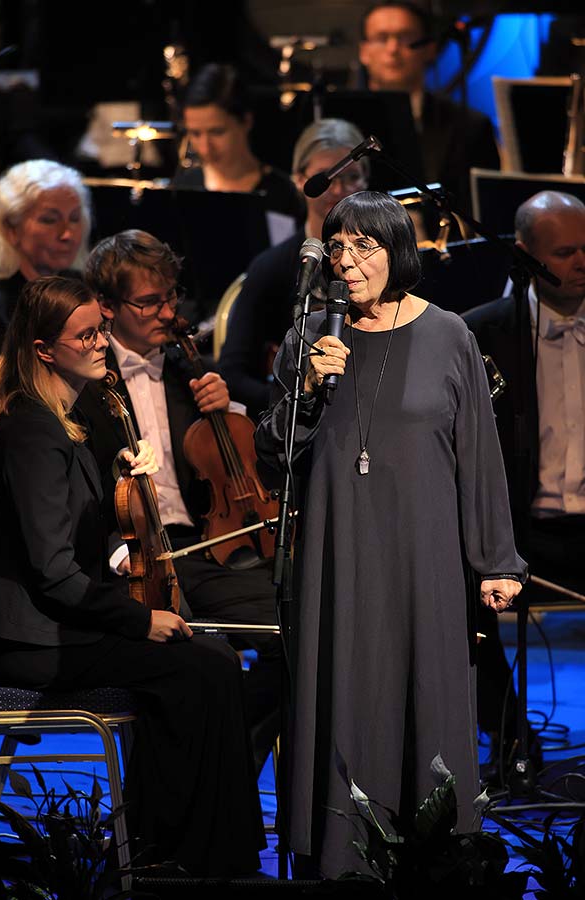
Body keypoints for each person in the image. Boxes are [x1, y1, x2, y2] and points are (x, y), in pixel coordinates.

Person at [254, 190, 526, 880]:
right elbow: (273, 451)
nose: (346, 262)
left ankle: (438, 854)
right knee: (347, 692)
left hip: (425, 552)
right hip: (336, 555)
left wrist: (497, 559)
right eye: (337, 247)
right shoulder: (310, 336)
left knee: (428, 695)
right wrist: (308, 388)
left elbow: (478, 455)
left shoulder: (449, 336)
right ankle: (347, 861)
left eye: (363, 247)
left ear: (396, 250)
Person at [0, 274, 265, 877]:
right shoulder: (34, 432)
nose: (99, 344)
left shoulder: (66, 419)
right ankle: (181, 858)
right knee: (198, 666)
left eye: (101, 330)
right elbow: (54, 576)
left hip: (61, 625)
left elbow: (80, 536)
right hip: (31, 641)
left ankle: (202, 853)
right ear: (42, 348)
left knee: (211, 658)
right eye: (85, 335)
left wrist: (121, 544)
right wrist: (142, 619)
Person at [77, 228, 282, 776]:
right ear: (107, 307)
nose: (168, 313)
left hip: (203, 546)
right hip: (129, 556)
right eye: (149, 302)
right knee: (194, 662)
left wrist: (228, 405)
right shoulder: (85, 374)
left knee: (302, 630)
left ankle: (229, 765)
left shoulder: (190, 367)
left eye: (172, 297)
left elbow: (241, 462)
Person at [463, 190, 585, 779]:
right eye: (566, 252)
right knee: (451, 586)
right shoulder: (480, 334)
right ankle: (509, 736)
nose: (583, 262)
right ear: (525, 256)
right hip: (516, 528)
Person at [218, 118, 370, 423]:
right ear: (299, 180)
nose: (339, 190)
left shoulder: (382, 263)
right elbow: (232, 373)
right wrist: (297, 395)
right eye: (326, 178)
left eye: (351, 177)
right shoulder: (271, 268)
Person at [357, 3, 500, 218]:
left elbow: (487, 211)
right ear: (364, 51)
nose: (393, 49)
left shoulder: (470, 125)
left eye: (405, 38)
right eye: (381, 38)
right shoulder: (339, 121)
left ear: (430, 49)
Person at [0, 159, 91, 374]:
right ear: (10, 229)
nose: (67, 234)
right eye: (49, 220)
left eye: (74, 218)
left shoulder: (85, 290)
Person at [172, 61, 305, 225]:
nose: (206, 148)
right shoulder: (184, 187)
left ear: (246, 122)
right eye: (195, 133)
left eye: (217, 132)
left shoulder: (284, 195)